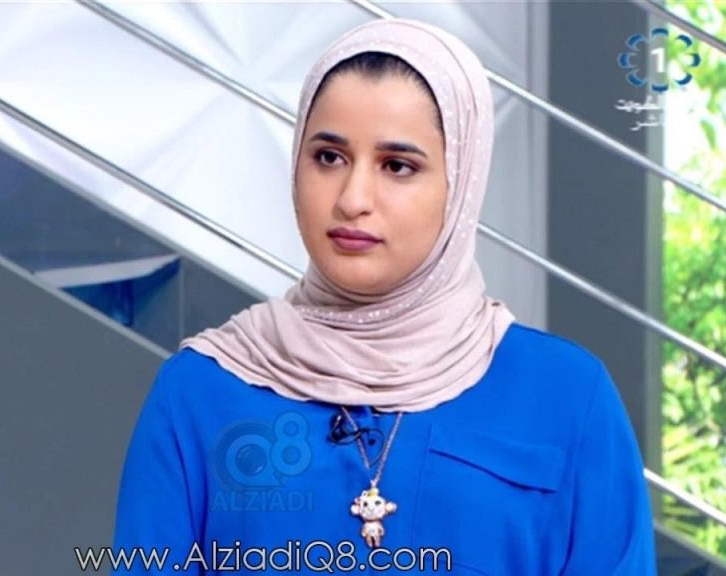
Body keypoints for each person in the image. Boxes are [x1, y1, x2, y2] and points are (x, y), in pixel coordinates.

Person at [112, 17, 657, 575]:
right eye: (329, 157)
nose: (352, 199)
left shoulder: (568, 397)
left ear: (460, 184)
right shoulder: (198, 392)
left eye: (397, 166)